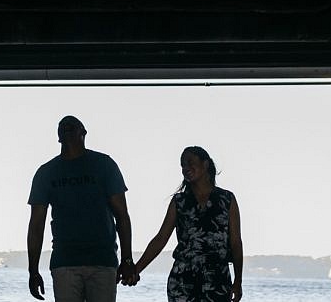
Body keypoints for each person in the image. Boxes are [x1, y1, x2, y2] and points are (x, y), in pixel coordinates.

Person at [28, 116, 136, 301]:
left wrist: (127, 260)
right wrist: (33, 271)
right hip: (65, 262)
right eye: (62, 127)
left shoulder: (104, 165)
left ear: (83, 133)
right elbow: (36, 225)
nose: (66, 129)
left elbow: (122, 216)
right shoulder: (46, 173)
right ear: (58, 137)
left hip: (102, 261)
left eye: (72, 127)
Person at [128, 146, 243, 302]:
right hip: (183, 281)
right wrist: (136, 269)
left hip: (217, 281)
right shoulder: (179, 201)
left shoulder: (227, 199)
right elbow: (161, 239)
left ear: (206, 164)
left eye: (190, 162)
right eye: (182, 165)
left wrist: (238, 281)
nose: (185, 168)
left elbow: (236, 243)